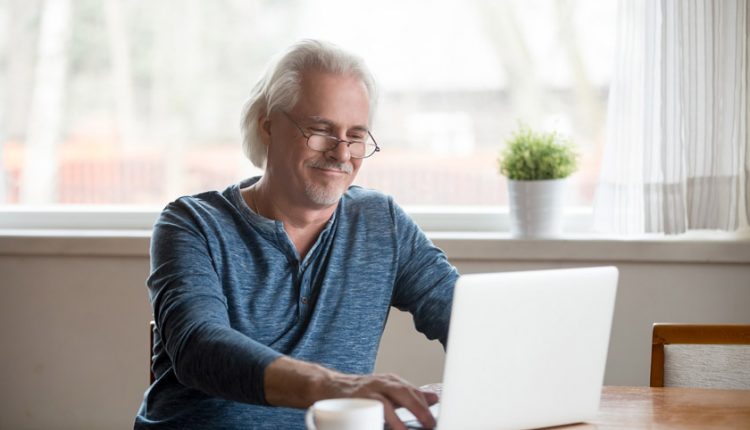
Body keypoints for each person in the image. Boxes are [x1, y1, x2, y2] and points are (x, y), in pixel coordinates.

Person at [134, 39, 459, 430]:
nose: (342, 154)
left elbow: (467, 319)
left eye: (356, 135)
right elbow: (198, 347)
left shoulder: (380, 223)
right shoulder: (192, 224)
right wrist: (337, 386)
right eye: (321, 130)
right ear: (267, 125)